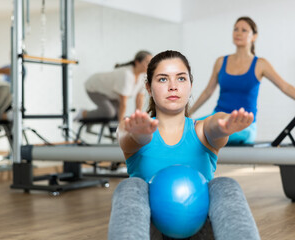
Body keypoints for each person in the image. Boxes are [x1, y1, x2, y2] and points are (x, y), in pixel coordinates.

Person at [108, 50, 260, 240]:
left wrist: (224, 124)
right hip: (151, 230)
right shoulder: (134, 125)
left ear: (190, 85)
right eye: (163, 79)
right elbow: (128, 136)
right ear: (148, 88)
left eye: (180, 78)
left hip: (200, 229)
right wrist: (141, 135)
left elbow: (215, 125)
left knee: (224, 184)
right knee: (130, 186)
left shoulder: (201, 129)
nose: (173, 86)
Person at [189, 16, 295, 145]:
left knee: (212, 130)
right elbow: (207, 92)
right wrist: (187, 113)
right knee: (187, 127)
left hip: (243, 125)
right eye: (236, 29)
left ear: (254, 36)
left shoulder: (260, 64)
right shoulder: (220, 62)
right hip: (218, 118)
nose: (238, 33)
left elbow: (285, 87)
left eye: (244, 30)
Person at [74, 50, 153, 123]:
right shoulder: (127, 74)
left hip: (110, 93)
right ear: (137, 62)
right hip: (94, 87)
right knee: (109, 112)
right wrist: (121, 125)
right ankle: (82, 113)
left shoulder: (143, 76)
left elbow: (139, 99)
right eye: (147, 62)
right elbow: (123, 103)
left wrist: (137, 119)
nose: (150, 64)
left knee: (116, 114)